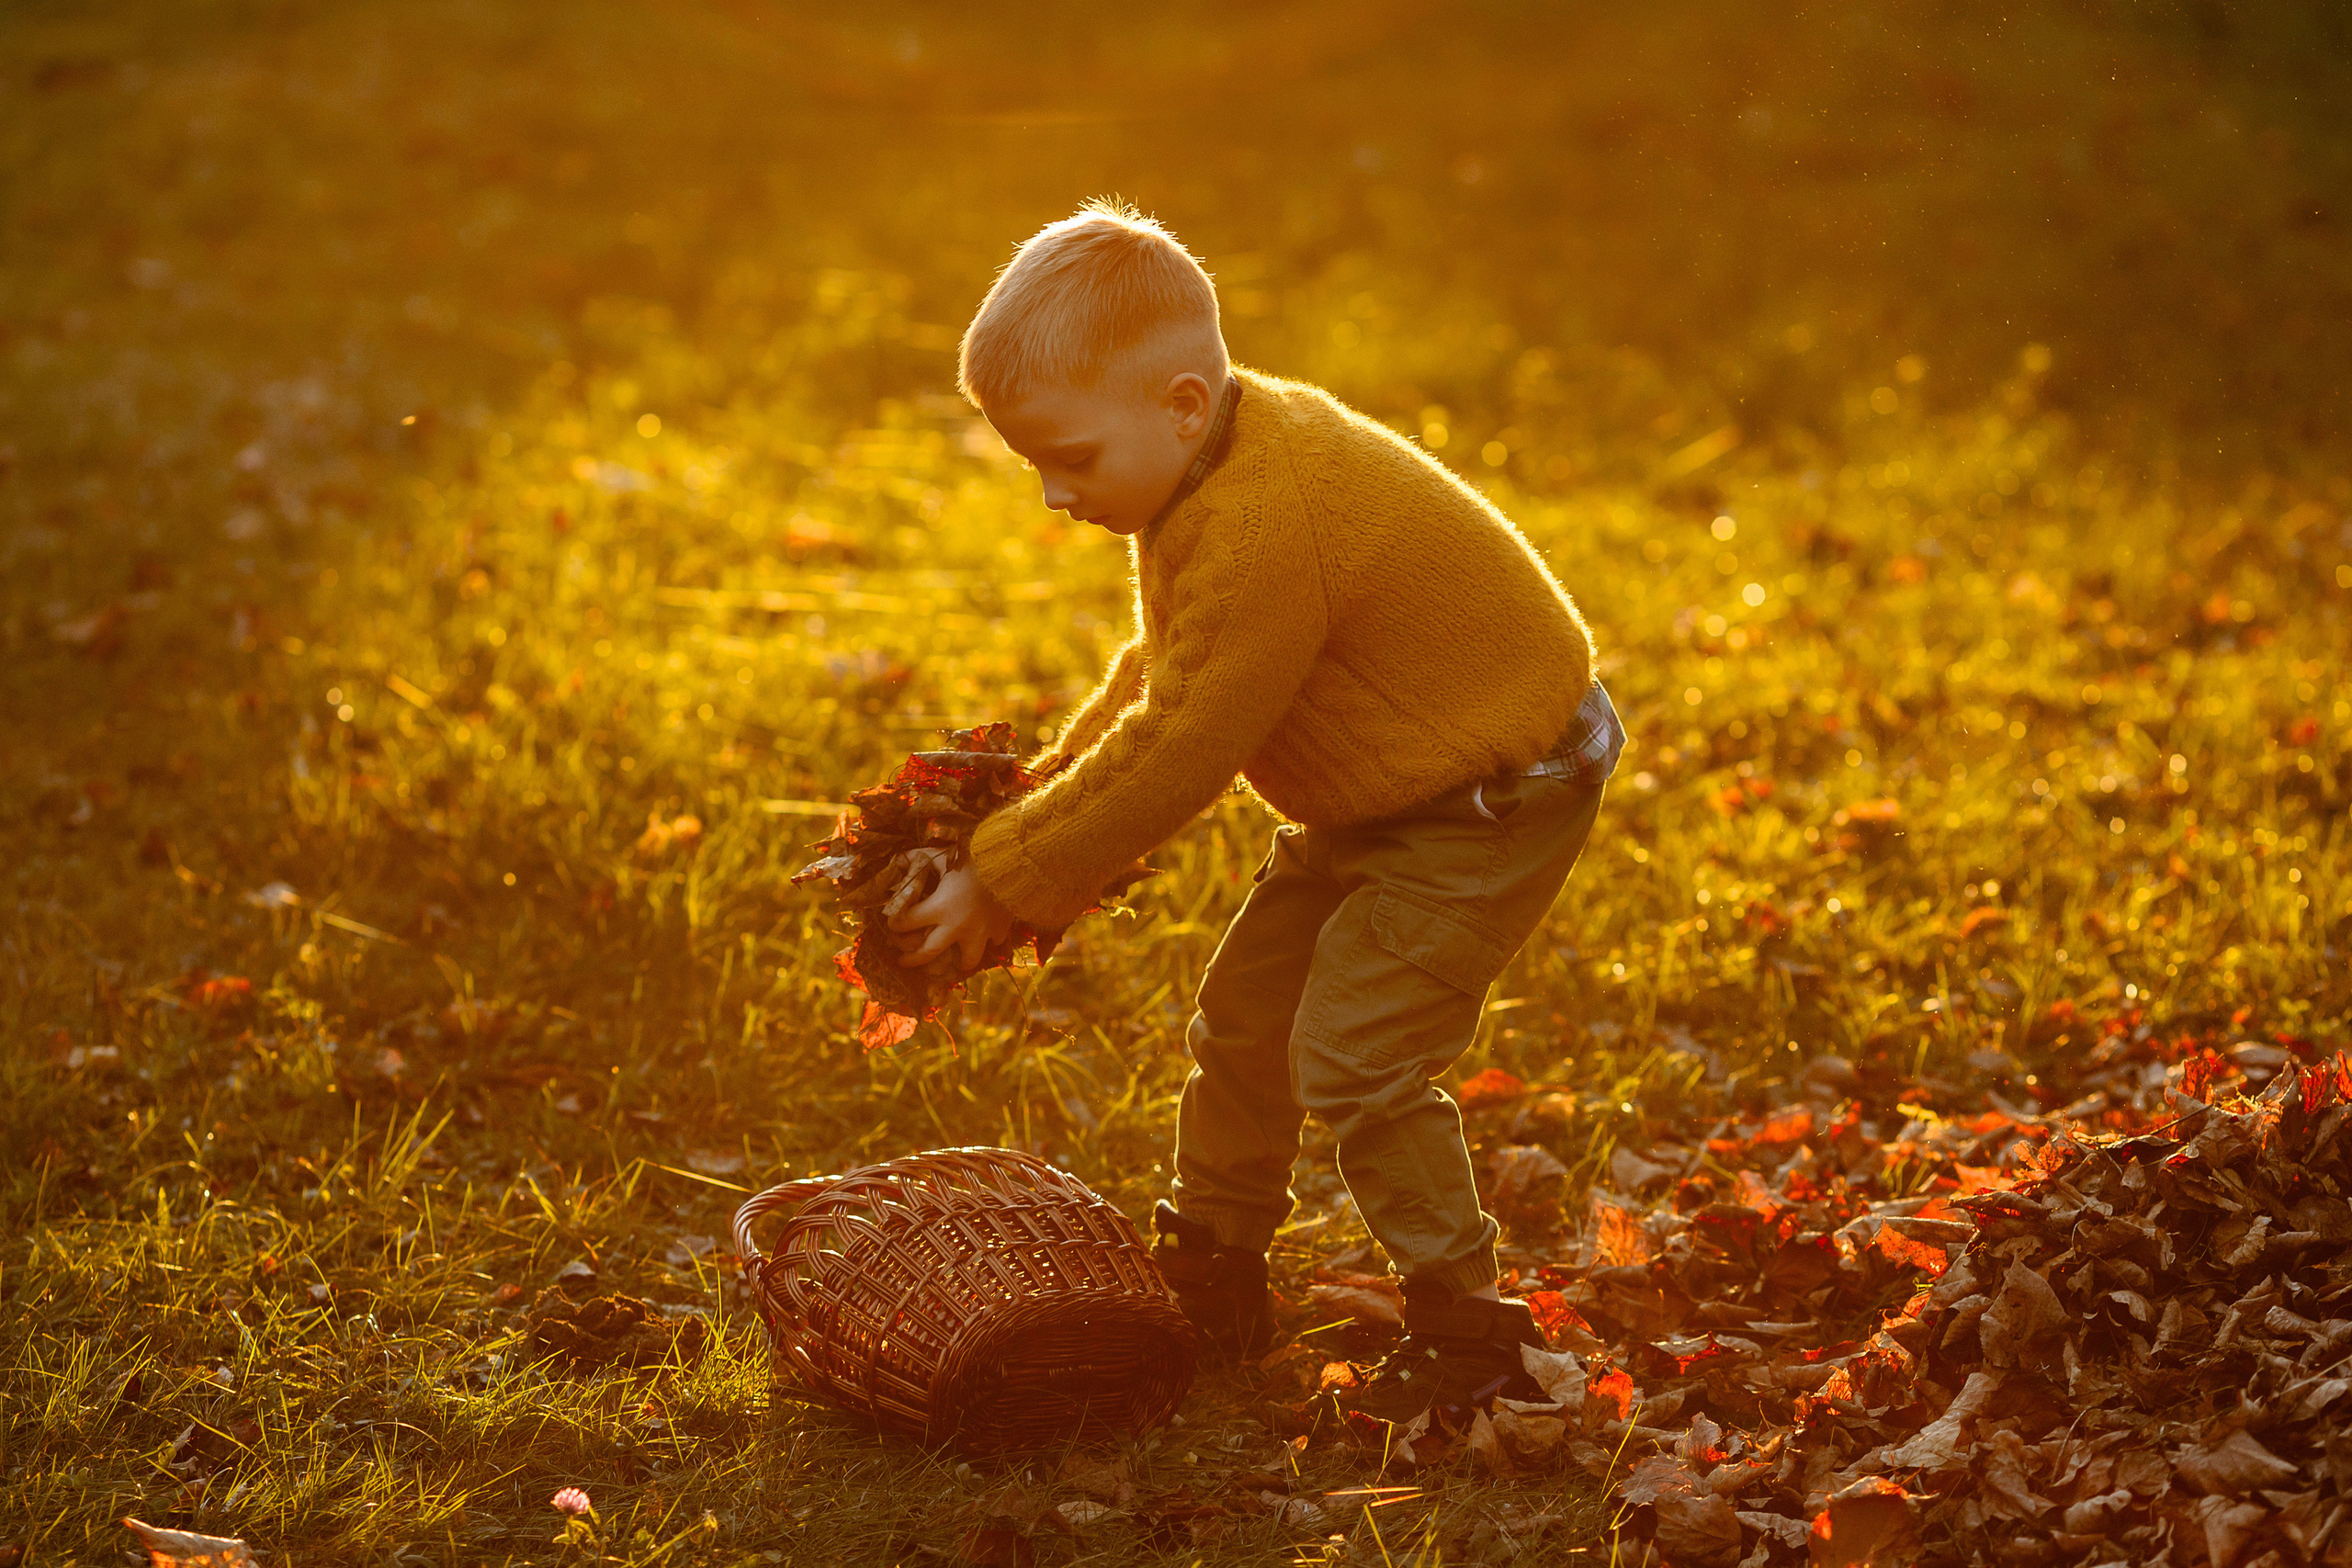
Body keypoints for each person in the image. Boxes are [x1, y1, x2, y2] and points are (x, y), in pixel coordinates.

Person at [888, 199, 1623, 1421]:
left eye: (1073, 459)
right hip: (1388, 786)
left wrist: (1011, 875)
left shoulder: (1271, 514)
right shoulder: (1208, 462)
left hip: (1491, 792)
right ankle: (1216, 1266)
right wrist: (1028, 804)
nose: (1055, 496)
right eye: (1035, 466)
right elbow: (1166, 671)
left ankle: (1470, 1332)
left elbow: (1187, 743)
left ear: (1181, 404)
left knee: (1356, 1051)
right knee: (1247, 1018)